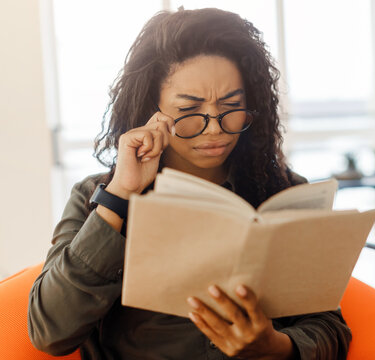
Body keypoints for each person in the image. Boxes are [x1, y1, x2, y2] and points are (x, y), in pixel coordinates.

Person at [28, 7, 351, 360]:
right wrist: (121, 195)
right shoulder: (98, 196)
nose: (215, 128)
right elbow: (49, 332)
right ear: (154, 110)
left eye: (231, 105)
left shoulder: (285, 192)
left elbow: (329, 328)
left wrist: (275, 347)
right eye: (189, 109)